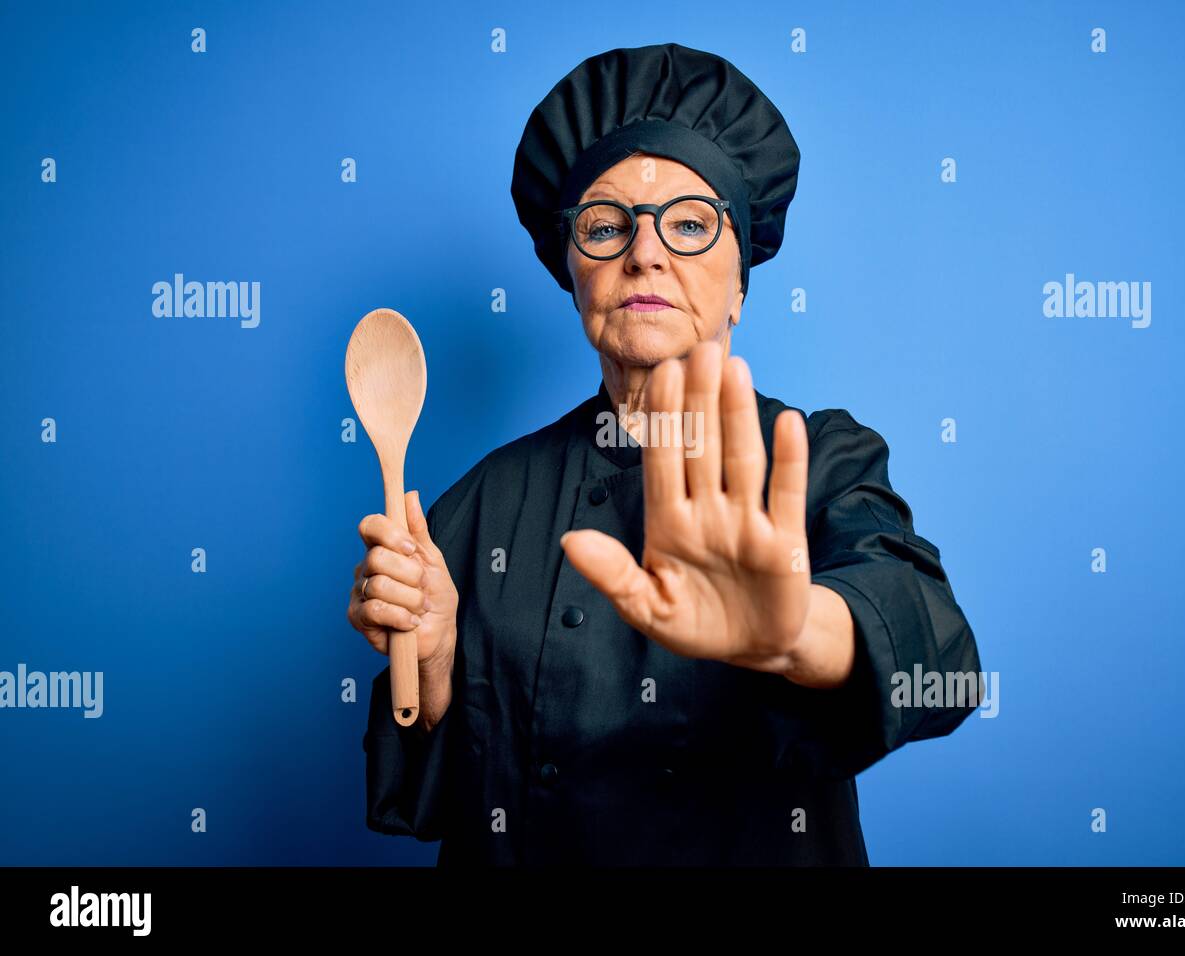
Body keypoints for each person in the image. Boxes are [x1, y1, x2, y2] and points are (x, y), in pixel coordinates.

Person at [349, 42, 981, 866]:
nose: (645, 252)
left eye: (688, 223)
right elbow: (436, 800)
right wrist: (430, 663)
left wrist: (799, 635)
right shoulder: (482, 501)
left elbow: (944, 664)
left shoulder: (819, 458)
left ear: (742, 282)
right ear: (572, 270)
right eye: (607, 226)